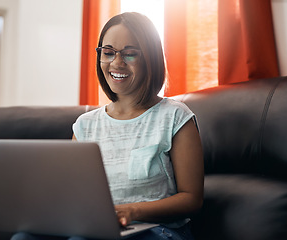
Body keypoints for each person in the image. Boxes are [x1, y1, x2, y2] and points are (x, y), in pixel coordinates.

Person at [11, 12, 204, 240]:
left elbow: (191, 198)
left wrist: (131, 211)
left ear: (150, 57)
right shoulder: (85, 125)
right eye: (108, 52)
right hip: (99, 228)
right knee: (23, 237)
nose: (116, 62)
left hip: (156, 230)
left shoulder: (175, 117)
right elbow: (73, 192)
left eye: (130, 54)